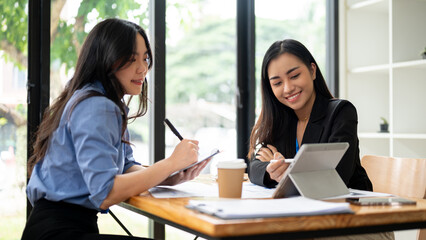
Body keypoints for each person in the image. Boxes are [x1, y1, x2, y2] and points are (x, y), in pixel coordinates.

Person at [22, 18, 208, 240]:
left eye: (145, 58)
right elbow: (105, 191)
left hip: (52, 227)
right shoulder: (98, 105)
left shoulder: (97, 99)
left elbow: (126, 168)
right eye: (131, 59)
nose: (143, 68)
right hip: (59, 232)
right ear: (107, 60)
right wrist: (170, 163)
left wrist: (171, 175)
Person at [248, 39, 394, 240]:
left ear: (313, 71)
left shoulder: (341, 112)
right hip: (306, 223)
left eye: (295, 75)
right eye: (278, 83)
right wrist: (270, 172)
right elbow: (254, 167)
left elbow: (334, 177)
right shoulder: (281, 121)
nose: (288, 88)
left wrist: (287, 175)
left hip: (358, 223)